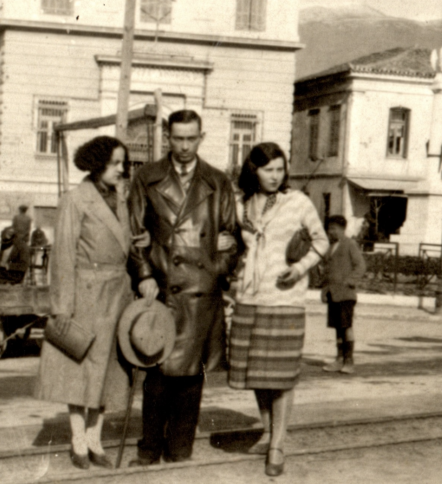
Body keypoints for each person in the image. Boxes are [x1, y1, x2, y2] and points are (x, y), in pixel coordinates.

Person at [127, 109, 240, 466]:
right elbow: (134, 233)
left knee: (191, 375)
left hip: (200, 291)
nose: (185, 146)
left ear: (201, 138)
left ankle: (179, 448)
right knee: (156, 371)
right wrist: (144, 274)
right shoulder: (146, 177)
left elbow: (232, 237)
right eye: (178, 138)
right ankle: (149, 448)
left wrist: (215, 270)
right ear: (167, 137)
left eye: (192, 138)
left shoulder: (218, 181)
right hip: (161, 288)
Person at [35, 135, 149, 470]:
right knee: (79, 368)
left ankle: (96, 439)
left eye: (123, 164)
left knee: (110, 373)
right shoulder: (75, 199)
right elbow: (64, 255)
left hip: (117, 294)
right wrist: (61, 307)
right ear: (98, 163)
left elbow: (121, 240)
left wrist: (139, 240)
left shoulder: (121, 199)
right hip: (85, 295)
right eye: (115, 163)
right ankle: (77, 441)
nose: (121, 170)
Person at [230, 142, 328, 477]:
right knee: (258, 373)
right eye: (267, 169)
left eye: (279, 169)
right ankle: (268, 430)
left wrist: (300, 269)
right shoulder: (241, 204)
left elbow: (322, 241)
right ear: (252, 170)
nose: (275, 176)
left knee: (281, 377)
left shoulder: (298, 202)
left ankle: (277, 445)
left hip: (285, 299)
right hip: (250, 299)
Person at [321, 215, 366, 374]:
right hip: (332, 294)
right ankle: (339, 359)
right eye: (329, 228)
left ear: (342, 229)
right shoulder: (329, 246)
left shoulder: (350, 244)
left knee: (346, 326)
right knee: (337, 328)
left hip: (346, 294)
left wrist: (349, 282)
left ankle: (349, 361)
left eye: (333, 228)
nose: (330, 232)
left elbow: (360, 266)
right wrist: (325, 288)